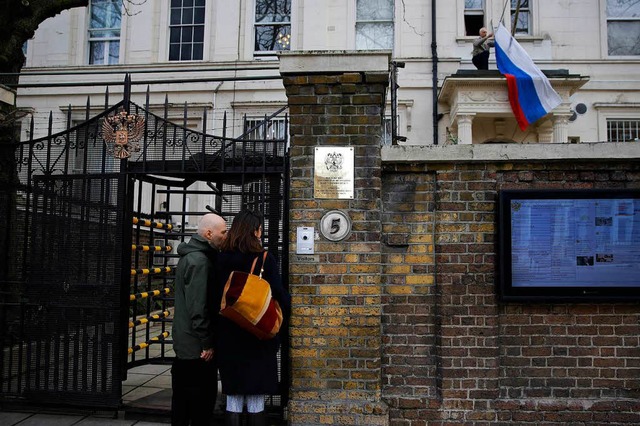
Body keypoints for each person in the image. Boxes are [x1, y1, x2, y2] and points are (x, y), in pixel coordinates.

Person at [214, 209, 291, 426]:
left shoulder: (221, 259)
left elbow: (213, 298)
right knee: (256, 397)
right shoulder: (265, 259)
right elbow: (279, 295)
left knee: (233, 397)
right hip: (258, 336)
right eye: (260, 229)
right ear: (256, 231)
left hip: (228, 336)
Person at [171, 213, 227, 426]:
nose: (225, 236)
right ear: (209, 233)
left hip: (185, 344)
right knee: (201, 407)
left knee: (182, 405)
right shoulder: (200, 261)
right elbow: (198, 308)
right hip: (196, 348)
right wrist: (207, 342)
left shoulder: (190, 256)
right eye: (223, 232)